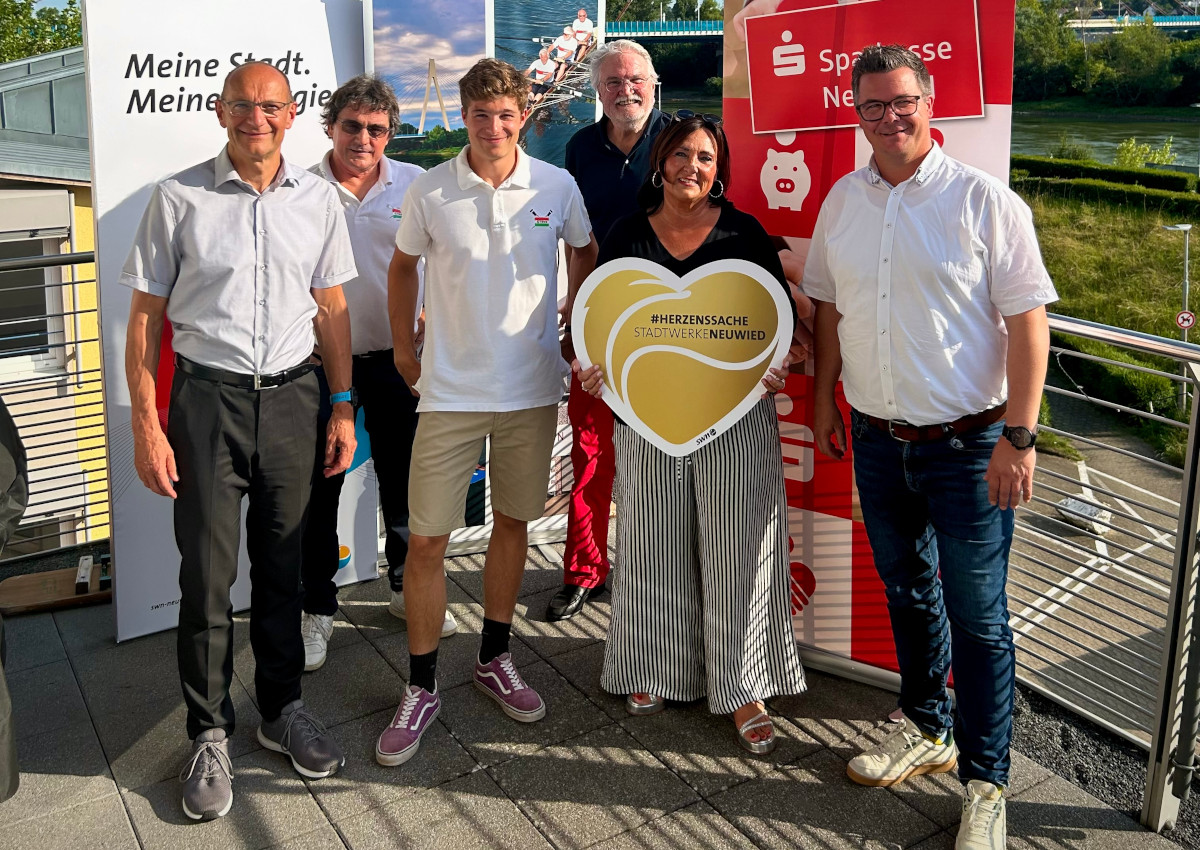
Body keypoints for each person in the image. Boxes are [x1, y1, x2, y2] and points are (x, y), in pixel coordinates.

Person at [805, 45, 1056, 850]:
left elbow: (1028, 326)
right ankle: (926, 727)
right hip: (878, 439)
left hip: (970, 446)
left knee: (979, 619)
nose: (889, 117)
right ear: (855, 111)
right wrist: (823, 402)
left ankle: (987, 781)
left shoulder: (986, 203)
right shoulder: (843, 200)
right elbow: (830, 314)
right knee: (908, 593)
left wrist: (1019, 436)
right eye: (872, 105)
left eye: (902, 100)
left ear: (930, 100)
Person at [122, 61, 356, 821]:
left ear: (292, 116)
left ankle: (282, 709)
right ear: (221, 112)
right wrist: (146, 421)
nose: (256, 117)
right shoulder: (178, 196)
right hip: (205, 404)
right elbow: (145, 320)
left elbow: (331, 309)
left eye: (271, 106)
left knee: (284, 569)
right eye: (242, 105)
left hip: (293, 398)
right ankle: (210, 730)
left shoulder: (319, 199)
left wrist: (343, 405)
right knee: (208, 581)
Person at [377, 58, 597, 767]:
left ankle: (493, 657)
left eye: (506, 115)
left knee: (512, 525)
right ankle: (420, 686)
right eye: (480, 115)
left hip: (531, 389)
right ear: (463, 117)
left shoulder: (556, 184)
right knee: (427, 543)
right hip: (448, 393)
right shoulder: (432, 190)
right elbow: (402, 266)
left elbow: (585, 251)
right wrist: (407, 357)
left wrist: (576, 330)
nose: (494, 127)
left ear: (523, 115)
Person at [576, 113, 806, 753]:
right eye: (680, 155)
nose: (692, 168)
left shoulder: (744, 232)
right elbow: (601, 318)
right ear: (659, 161)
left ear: (719, 168)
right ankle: (654, 665)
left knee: (742, 552)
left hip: (736, 423)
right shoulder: (626, 233)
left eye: (705, 157)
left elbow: (778, 324)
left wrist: (778, 367)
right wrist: (595, 370)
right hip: (648, 420)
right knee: (654, 544)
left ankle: (745, 686)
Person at [300, 75, 456, 674]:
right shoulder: (299, 188)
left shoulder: (415, 186)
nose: (363, 139)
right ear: (330, 125)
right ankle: (317, 607)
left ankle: (400, 580)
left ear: (390, 133)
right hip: (319, 364)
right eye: (351, 126)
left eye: (376, 129)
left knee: (404, 480)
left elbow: (441, 266)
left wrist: (425, 314)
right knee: (320, 491)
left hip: (397, 360)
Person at [548, 39, 671, 623]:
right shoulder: (580, 148)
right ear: (599, 91)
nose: (626, 90)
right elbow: (577, 239)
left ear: (654, 82)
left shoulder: (683, 142)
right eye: (613, 82)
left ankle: (660, 578)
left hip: (672, 327)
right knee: (593, 452)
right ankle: (585, 570)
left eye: (635, 80)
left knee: (664, 459)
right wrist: (573, 311)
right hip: (599, 320)